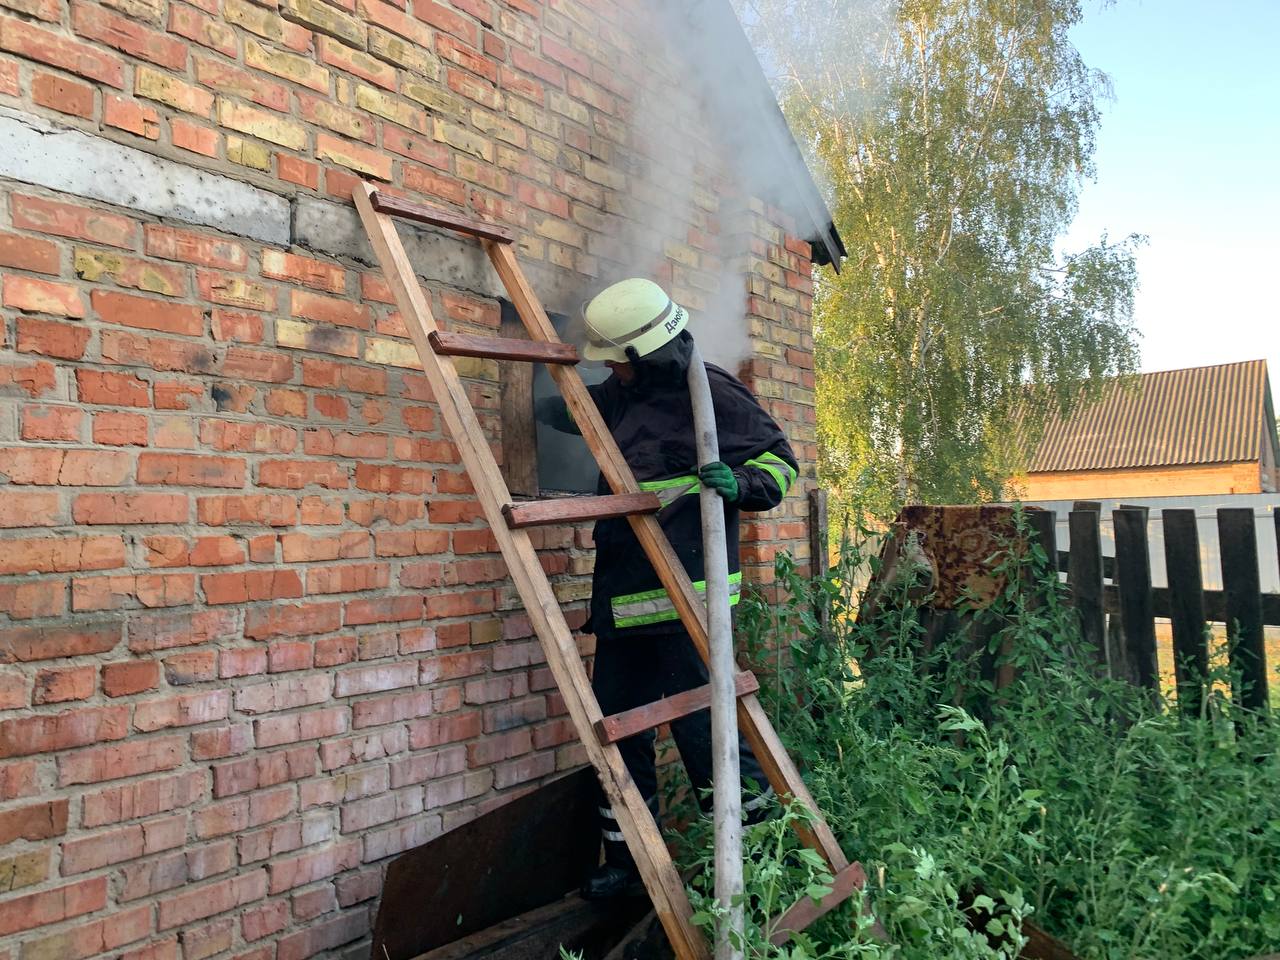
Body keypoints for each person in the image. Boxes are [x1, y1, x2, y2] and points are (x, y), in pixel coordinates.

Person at [535, 277, 800, 899]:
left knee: (707, 737)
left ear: (643, 354)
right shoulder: (625, 393)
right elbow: (586, 412)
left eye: (616, 362)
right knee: (621, 734)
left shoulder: (712, 393)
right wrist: (541, 401)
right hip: (624, 603)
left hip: (690, 602)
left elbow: (781, 461)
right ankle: (630, 866)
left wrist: (742, 483)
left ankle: (763, 867)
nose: (611, 371)